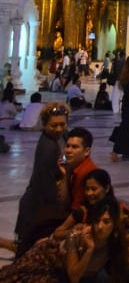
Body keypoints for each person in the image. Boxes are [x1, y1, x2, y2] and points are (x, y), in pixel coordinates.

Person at [0, 197, 129, 283]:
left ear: (114, 223)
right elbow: (74, 277)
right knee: (11, 280)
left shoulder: (115, 241)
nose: (100, 226)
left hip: (57, 275)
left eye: (106, 221)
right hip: (46, 257)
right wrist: (89, 250)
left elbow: (120, 269)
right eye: (97, 221)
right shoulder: (77, 235)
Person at [14, 103, 70, 255]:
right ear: (44, 124)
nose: (58, 129)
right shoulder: (47, 147)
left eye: (62, 124)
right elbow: (46, 184)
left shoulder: (63, 136)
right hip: (38, 206)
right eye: (53, 125)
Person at [64, 127, 98, 209]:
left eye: (74, 147)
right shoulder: (73, 168)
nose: (68, 151)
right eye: (67, 146)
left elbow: (77, 208)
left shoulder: (86, 173)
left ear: (86, 151)